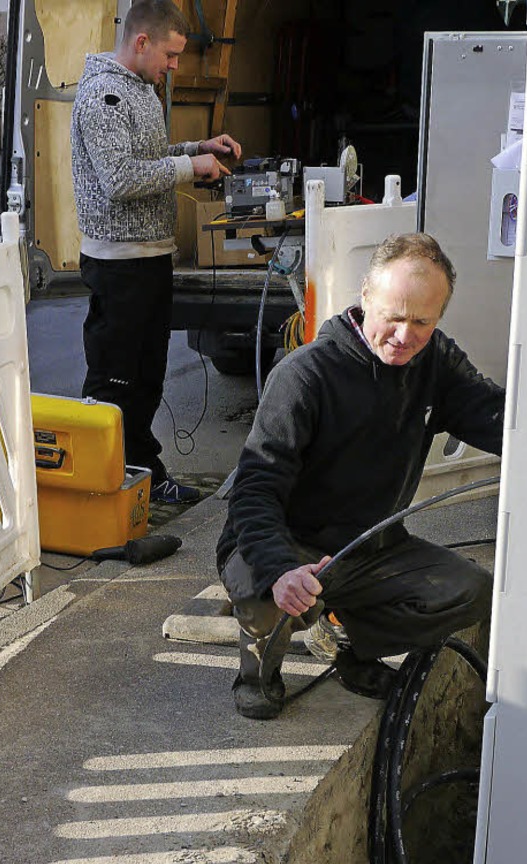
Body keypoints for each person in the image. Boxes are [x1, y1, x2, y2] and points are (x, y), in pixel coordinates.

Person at [216, 232, 505, 719]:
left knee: (470, 591)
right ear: (365, 296)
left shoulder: (435, 362)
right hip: (288, 543)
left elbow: (500, 419)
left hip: (373, 546)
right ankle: (256, 675)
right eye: (393, 316)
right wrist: (280, 568)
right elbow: (255, 489)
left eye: (422, 321)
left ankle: (354, 648)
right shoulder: (305, 375)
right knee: (267, 593)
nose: (404, 335)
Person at [71, 0, 242, 504]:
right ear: (141, 41)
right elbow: (121, 179)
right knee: (116, 381)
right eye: (170, 55)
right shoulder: (105, 95)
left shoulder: (140, 90)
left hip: (149, 256)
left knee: (145, 377)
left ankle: (144, 474)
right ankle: (103, 488)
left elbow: (146, 160)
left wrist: (196, 149)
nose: (174, 67)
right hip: (118, 262)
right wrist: (194, 170)